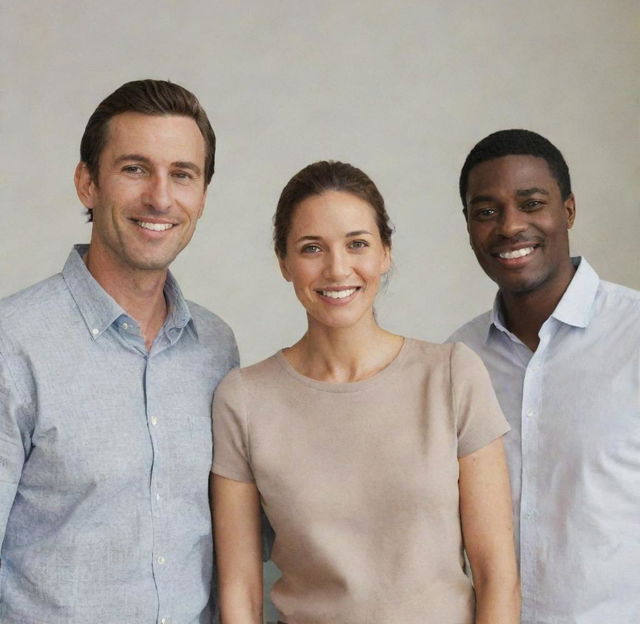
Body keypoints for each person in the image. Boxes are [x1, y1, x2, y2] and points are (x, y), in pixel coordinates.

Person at [211, 160, 519, 624]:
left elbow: (497, 573)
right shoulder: (244, 399)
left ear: (384, 253)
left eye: (357, 244)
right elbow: (240, 588)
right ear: (284, 263)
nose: (337, 269)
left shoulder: (452, 375)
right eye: (312, 248)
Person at [0, 80, 238, 623]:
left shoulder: (216, 348)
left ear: (201, 195)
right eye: (134, 168)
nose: (160, 197)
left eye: (183, 174)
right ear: (88, 183)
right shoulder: (12, 344)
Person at [448, 129, 640, 623]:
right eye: (486, 211)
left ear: (568, 211)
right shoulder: (456, 359)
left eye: (531, 203)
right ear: (468, 226)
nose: (510, 227)